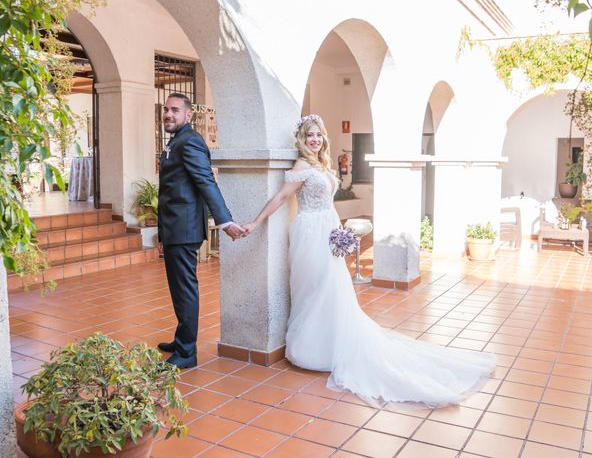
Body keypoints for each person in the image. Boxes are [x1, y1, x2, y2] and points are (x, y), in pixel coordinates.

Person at [241, 114, 496, 407]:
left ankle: (329, 345)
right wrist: (256, 221)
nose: (314, 140)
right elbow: (281, 198)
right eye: (309, 135)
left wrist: (339, 231)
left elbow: (328, 203)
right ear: (302, 139)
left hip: (328, 229)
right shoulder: (301, 166)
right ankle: (312, 348)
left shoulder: (323, 165)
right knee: (313, 289)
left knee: (334, 289)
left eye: (318, 135)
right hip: (309, 233)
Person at [157, 93, 245, 369]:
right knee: (178, 288)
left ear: (188, 115)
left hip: (184, 229)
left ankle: (186, 353)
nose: (168, 114)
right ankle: (182, 338)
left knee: (184, 290)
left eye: (175, 110)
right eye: (166, 110)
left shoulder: (191, 141)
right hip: (174, 228)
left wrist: (225, 221)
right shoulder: (177, 140)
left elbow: (207, 182)